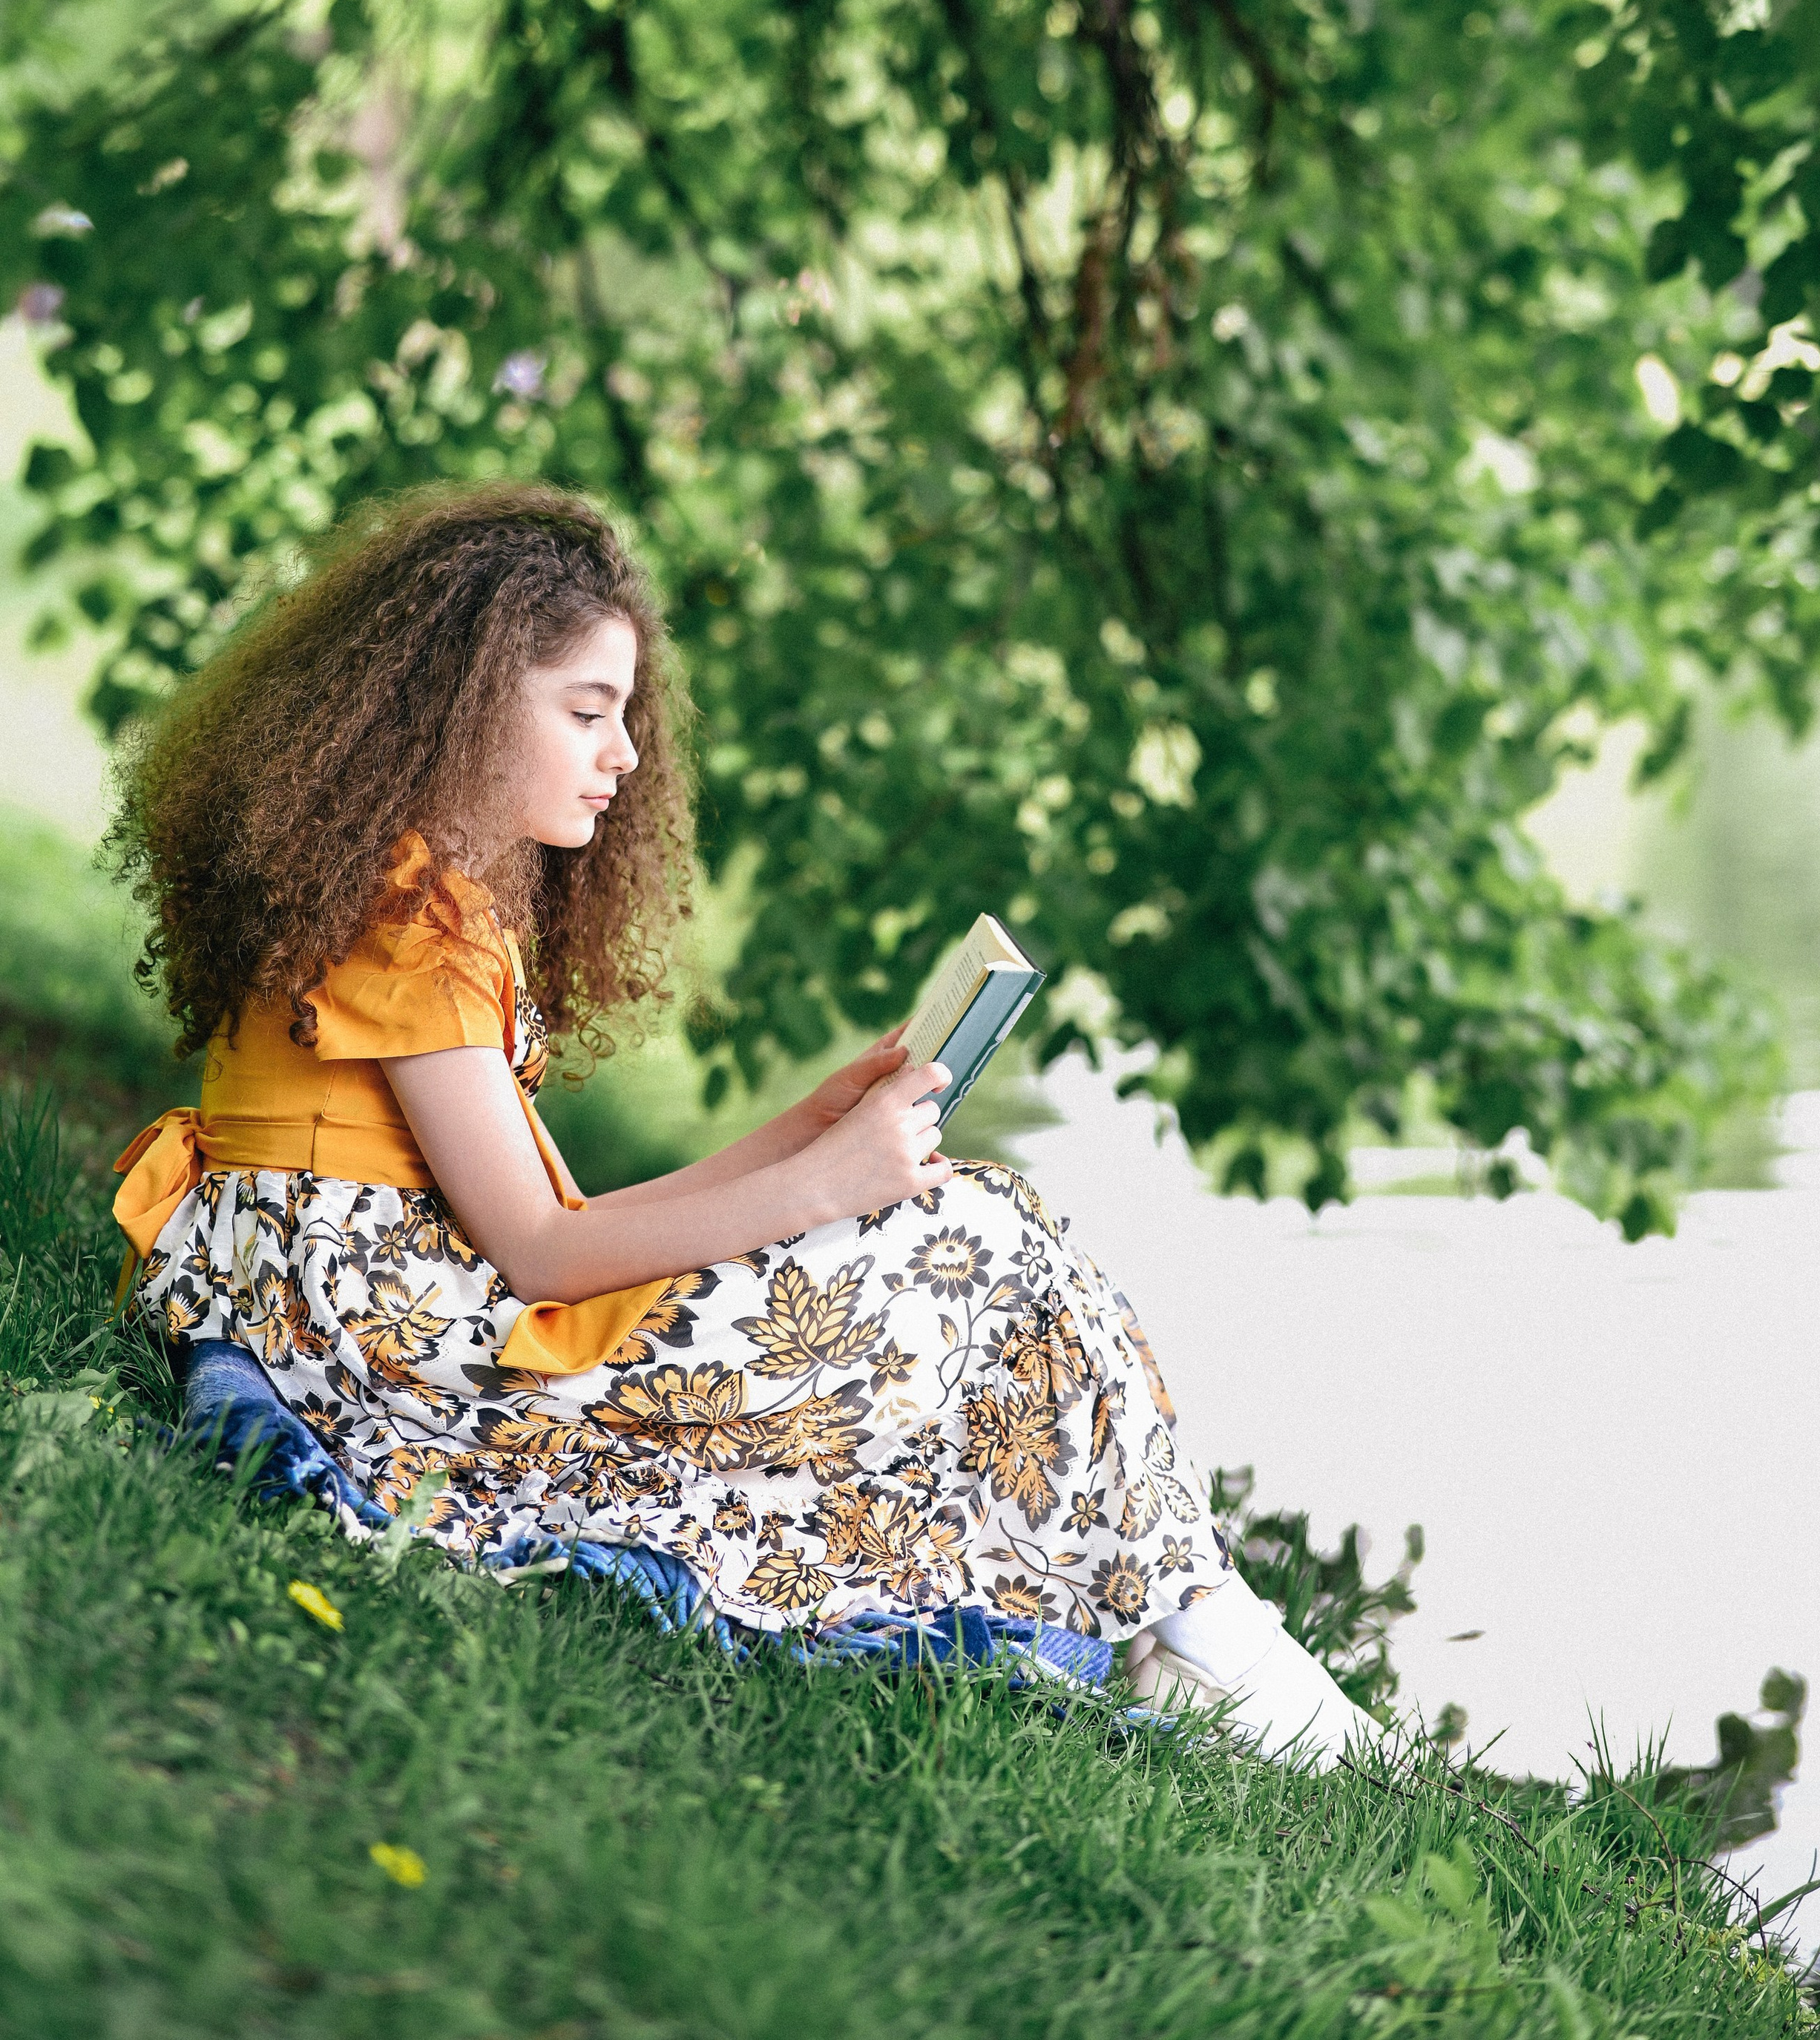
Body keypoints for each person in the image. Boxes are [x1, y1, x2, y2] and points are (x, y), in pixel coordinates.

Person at [110, 482, 1361, 1761]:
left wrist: (803, 1135)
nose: (626, 757)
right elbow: (540, 1255)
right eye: (588, 713)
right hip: (397, 1356)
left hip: (397, 1313)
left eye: (627, 716)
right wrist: (828, 1188)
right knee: (984, 1236)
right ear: (463, 705)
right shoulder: (408, 919)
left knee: (991, 1229)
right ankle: (1200, 1625)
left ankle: (1186, 1619)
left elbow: (560, 1230)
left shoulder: (423, 896)